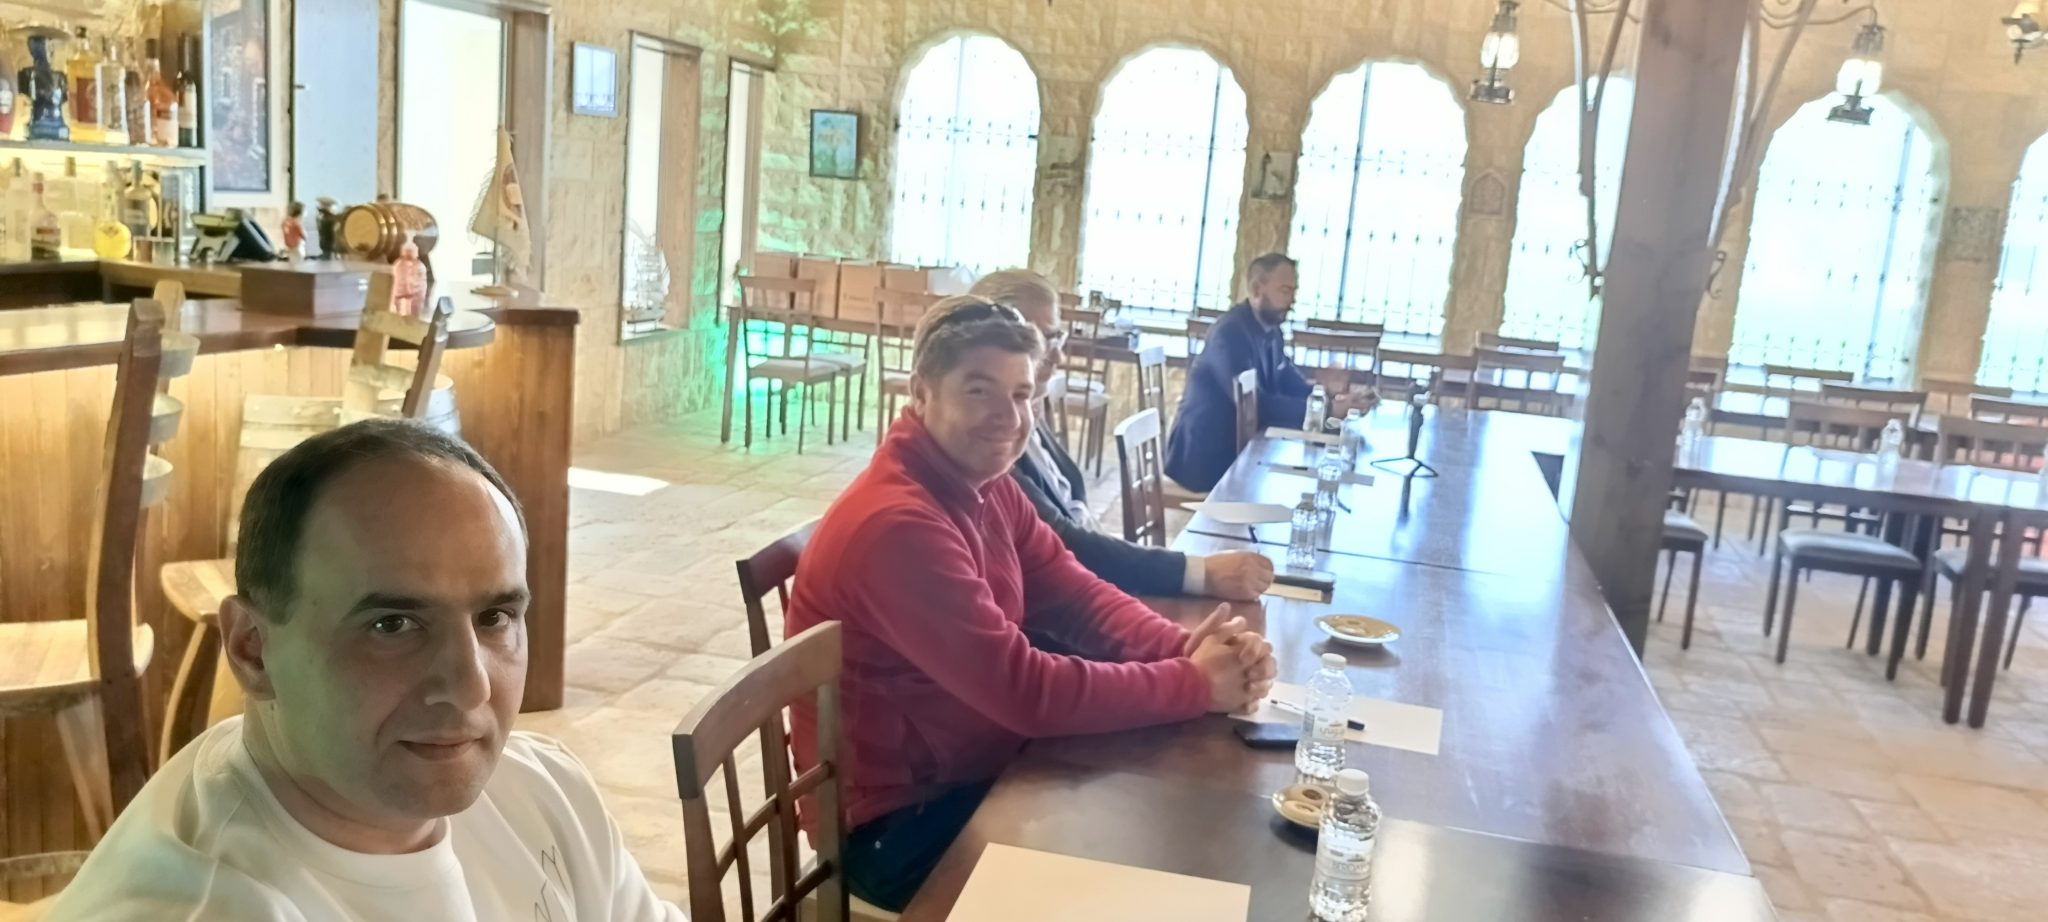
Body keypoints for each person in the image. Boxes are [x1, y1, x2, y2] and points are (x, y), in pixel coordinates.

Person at [46, 420, 683, 922]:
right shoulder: (214, 905)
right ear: (252, 650)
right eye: (393, 626)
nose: (471, 687)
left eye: (494, 617)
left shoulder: (545, 793)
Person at [787, 296, 1277, 911]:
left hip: (980, 770)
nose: (1008, 417)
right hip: (896, 827)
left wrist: (1184, 648)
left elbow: (1076, 595)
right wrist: (1193, 684)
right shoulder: (898, 526)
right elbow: (1025, 692)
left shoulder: (987, 486)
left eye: (1021, 395)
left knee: (1164, 827)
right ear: (921, 393)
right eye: (979, 391)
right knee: (1143, 872)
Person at [969, 269, 1275, 601]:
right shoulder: (991, 438)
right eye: (1044, 340)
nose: (1058, 355)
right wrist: (1199, 573)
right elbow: (1061, 542)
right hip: (1064, 604)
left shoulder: (1027, 408)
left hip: (1093, 589)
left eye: (1057, 338)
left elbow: (1075, 522)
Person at [1164, 253, 1314, 492]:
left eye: (1294, 291)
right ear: (1256, 289)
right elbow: (1255, 406)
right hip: (1206, 457)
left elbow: (1287, 379)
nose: (1292, 300)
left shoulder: (1272, 329)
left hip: (1241, 450)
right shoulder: (1230, 333)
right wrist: (1320, 410)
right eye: (1285, 290)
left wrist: (1327, 397)